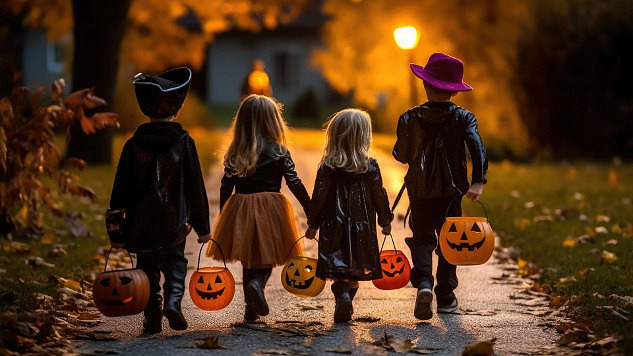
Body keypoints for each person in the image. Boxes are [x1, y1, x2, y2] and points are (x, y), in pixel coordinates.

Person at [108, 67, 211, 333]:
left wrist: (116, 232)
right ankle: (173, 301)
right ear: (176, 111)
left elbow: (119, 191)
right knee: (176, 263)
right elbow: (195, 187)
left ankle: (152, 315)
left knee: (147, 272)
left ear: (146, 110)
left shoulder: (132, 145)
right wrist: (203, 228)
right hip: (175, 224)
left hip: (141, 226)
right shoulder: (184, 143)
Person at [392, 53, 488, 320]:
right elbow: (476, 148)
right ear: (454, 92)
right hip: (452, 192)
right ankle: (445, 295)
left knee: (421, 237)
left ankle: (424, 284)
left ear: (425, 84)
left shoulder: (408, 118)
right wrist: (478, 181)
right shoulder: (464, 118)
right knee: (451, 241)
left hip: (420, 191)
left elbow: (400, 155)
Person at [206, 94, 310, 322]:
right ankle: (257, 284)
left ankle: (250, 308)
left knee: (248, 258)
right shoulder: (280, 151)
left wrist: (226, 213)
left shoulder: (236, 150)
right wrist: (311, 209)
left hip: (241, 205)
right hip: (272, 207)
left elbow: (226, 185)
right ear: (273, 121)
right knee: (267, 257)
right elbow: (295, 182)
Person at [306, 109, 393, 323]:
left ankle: (342, 295)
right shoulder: (370, 166)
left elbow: (318, 198)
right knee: (355, 270)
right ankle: (348, 298)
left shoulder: (328, 166)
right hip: (362, 227)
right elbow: (379, 194)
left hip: (333, 226)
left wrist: (313, 224)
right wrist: (385, 220)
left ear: (335, 135)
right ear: (365, 136)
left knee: (339, 269)